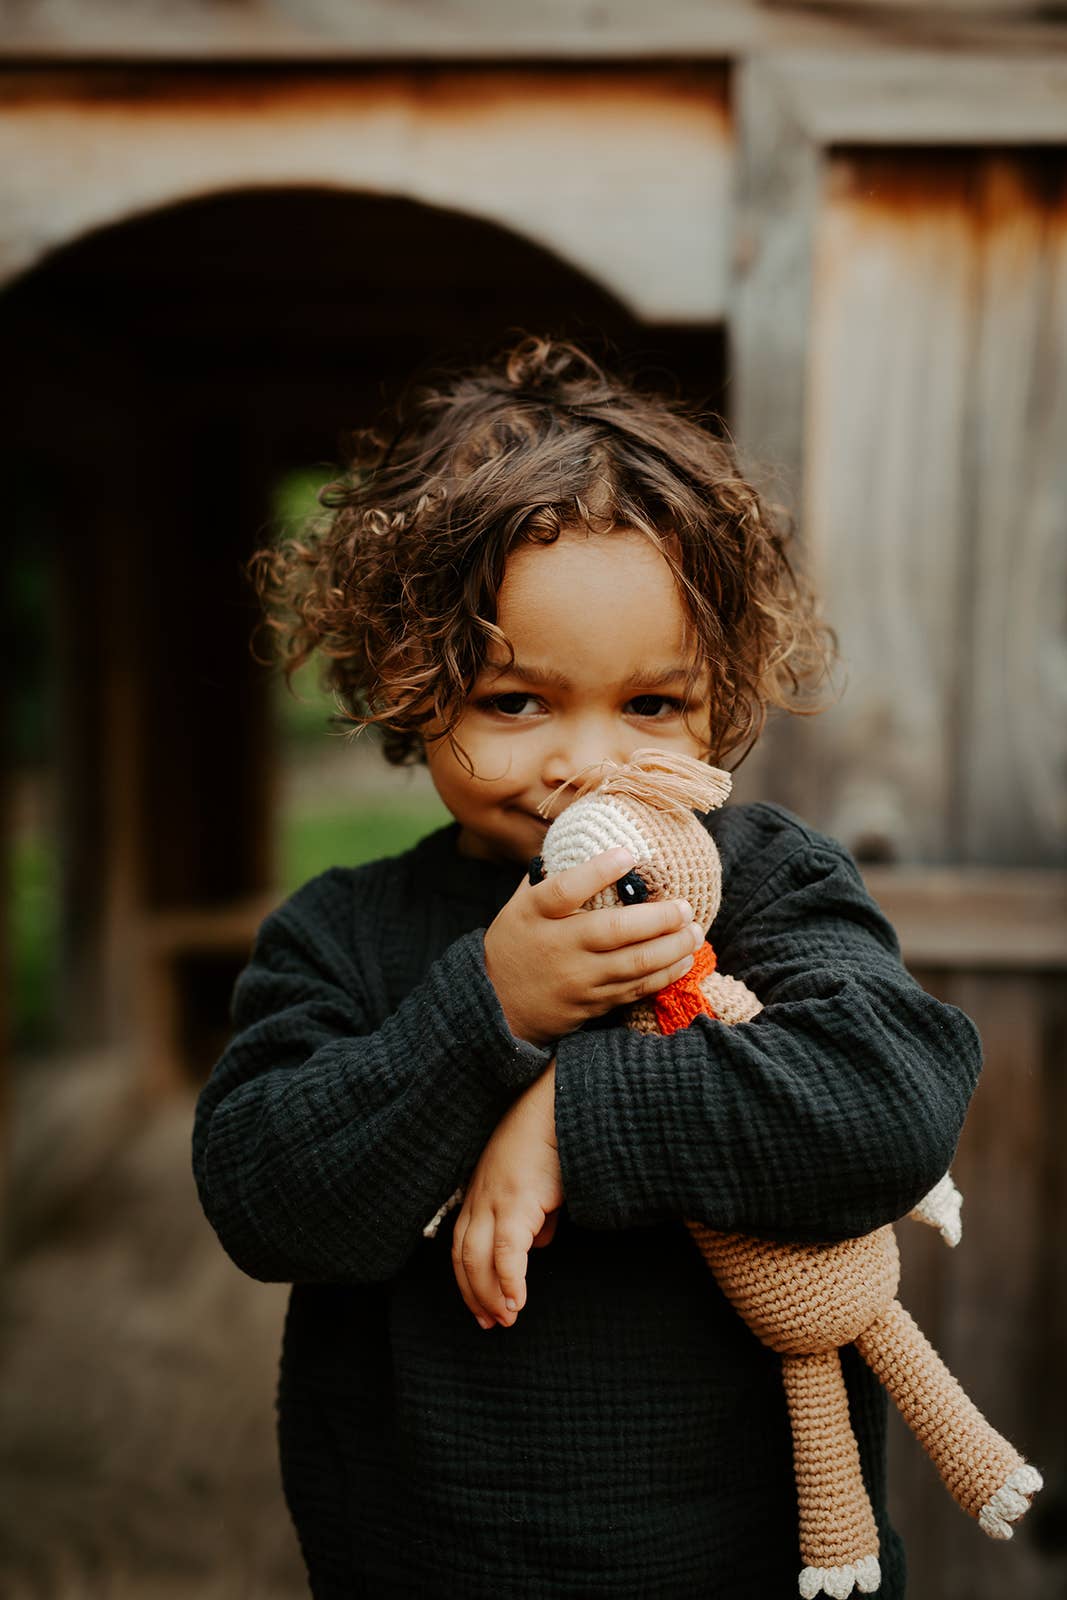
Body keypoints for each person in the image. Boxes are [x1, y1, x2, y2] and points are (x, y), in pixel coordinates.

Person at [192, 335, 981, 1598]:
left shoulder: (764, 881)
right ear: (411, 681)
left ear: (717, 695)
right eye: (516, 702)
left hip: (741, 1560)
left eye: (651, 705)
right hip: (425, 1559)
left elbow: (892, 1097)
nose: (586, 761)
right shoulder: (343, 932)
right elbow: (262, 1191)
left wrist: (571, 1113)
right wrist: (486, 1012)